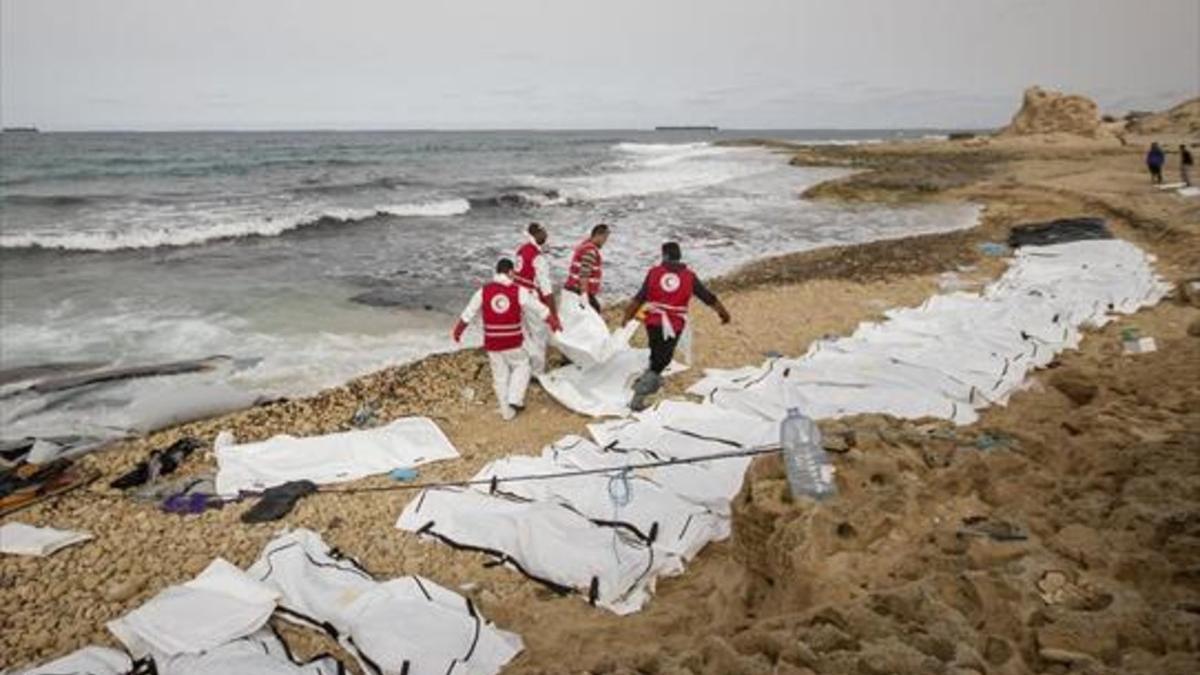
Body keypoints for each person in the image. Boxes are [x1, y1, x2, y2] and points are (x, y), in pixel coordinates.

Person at [622, 241, 731, 411]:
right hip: (674, 323)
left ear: (665, 255)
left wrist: (627, 317)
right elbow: (707, 296)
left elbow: (639, 298)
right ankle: (639, 397)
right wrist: (723, 312)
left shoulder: (653, 272)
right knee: (663, 358)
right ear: (679, 256)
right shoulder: (689, 276)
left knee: (657, 350)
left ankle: (652, 377)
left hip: (652, 321)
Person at [453, 258, 562, 420]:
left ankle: (507, 413)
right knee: (523, 365)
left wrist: (458, 331)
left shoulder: (484, 291)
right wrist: (553, 322)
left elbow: (469, 312)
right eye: (513, 274)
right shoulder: (518, 291)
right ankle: (515, 399)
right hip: (512, 341)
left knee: (500, 377)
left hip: (492, 342)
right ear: (510, 272)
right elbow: (539, 308)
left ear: (496, 272)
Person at [512, 222, 556, 373]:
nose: (546, 234)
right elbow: (546, 290)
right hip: (531, 298)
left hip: (518, 296)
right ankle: (536, 372)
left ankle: (522, 365)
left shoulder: (521, 250)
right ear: (536, 234)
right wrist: (553, 314)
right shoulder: (538, 258)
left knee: (524, 333)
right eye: (543, 231)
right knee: (539, 335)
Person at [564, 223, 608, 314]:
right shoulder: (590, 251)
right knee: (594, 313)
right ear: (598, 235)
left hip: (572, 288)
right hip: (578, 290)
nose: (605, 241)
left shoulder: (585, 246)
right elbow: (584, 274)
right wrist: (584, 294)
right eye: (604, 238)